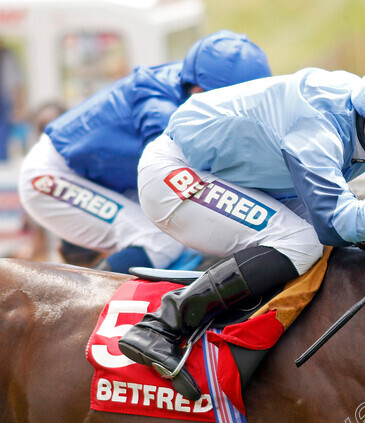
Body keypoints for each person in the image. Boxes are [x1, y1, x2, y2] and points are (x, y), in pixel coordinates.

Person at [118, 55, 365, 400]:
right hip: (176, 176)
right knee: (303, 242)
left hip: (236, 176)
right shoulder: (318, 129)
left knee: (330, 242)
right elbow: (338, 224)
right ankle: (163, 326)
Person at [18, 30, 271, 273]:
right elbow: (180, 174)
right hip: (52, 176)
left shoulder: (192, 86)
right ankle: (85, 310)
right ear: (198, 91)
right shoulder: (159, 108)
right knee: (159, 243)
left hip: (100, 178)